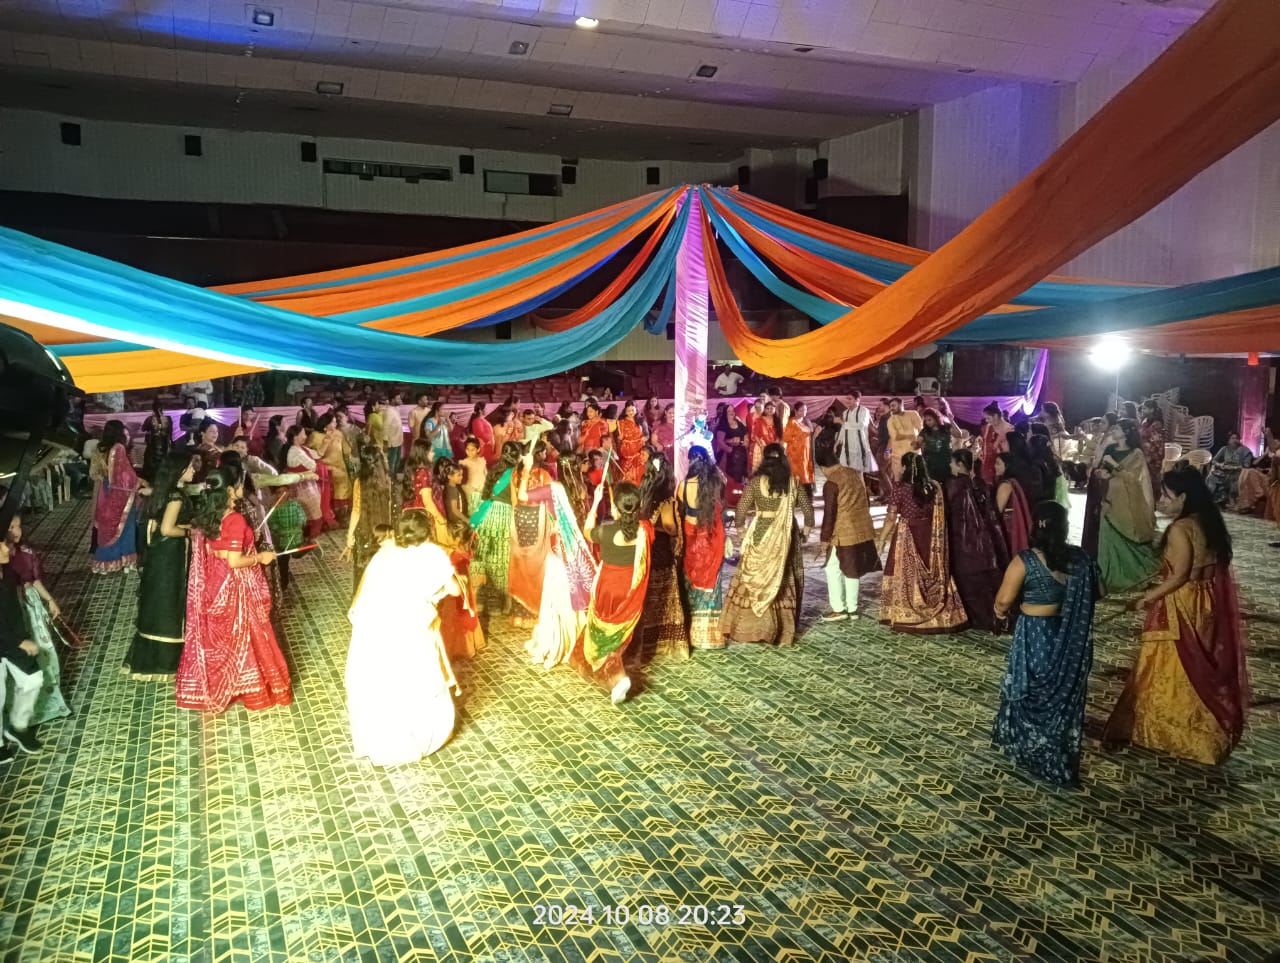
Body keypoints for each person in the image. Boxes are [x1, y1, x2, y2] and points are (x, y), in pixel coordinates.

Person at [1103, 466, 1248, 764]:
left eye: (1166, 496)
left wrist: (1148, 597)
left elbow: (1180, 576)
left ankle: (1173, 731)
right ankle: (1209, 734)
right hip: (1206, 602)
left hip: (1182, 603)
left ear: (1182, 498)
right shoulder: (1208, 522)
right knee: (1203, 662)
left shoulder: (1180, 529)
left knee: (1173, 666)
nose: (1160, 501)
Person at [991, 501, 1099, 787]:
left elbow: (1003, 601)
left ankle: (1027, 748)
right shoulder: (1080, 559)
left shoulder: (1025, 561)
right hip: (1069, 633)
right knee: (1059, 691)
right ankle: (1055, 751)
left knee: (1031, 688)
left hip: (1035, 632)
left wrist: (999, 615)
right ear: (1064, 528)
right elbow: (1099, 590)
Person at [345, 511, 461, 766]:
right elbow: (453, 589)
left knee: (386, 683)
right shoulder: (431, 554)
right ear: (427, 533)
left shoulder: (385, 553)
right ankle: (420, 737)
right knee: (416, 681)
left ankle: (383, 740)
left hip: (375, 629)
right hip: (410, 628)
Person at [175, 466, 291, 712]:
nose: (242, 488)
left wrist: (248, 538)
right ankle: (252, 688)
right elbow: (235, 561)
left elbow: (219, 549)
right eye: (239, 484)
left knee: (225, 640)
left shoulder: (209, 515)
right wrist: (261, 558)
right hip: (236, 585)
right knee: (249, 636)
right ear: (230, 490)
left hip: (216, 583)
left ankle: (225, 685)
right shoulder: (235, 519)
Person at [721, 443, 814, 646]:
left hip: (760, 533)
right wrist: (805, 534)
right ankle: (781, 632)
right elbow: (808, 512)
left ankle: (752, 629)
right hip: (786, 536)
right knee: (783, 577)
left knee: (752, 578)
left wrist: (742, 532)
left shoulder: (755, 483)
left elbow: (740, 511)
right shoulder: (793, 483)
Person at [575, 481, 653, 703]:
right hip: (630, 590)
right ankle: (619, 670)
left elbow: (586, 532)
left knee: (604, 634)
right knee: (620, 633)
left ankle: (617, 677)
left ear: (615, 508)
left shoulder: (607, 532)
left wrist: (595, 503)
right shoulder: (644, 531)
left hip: (607, 588)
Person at [123, 451, 198, 680]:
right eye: (189, 466)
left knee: (160, 600)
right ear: (179, 470)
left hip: (161, 555)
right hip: (171, 555)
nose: (194, 469)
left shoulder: (165, 491)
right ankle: (167, 659)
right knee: (170, 601)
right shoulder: (175, 496)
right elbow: (167, 529)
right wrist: (191, 533)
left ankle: (154, 655)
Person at [878, 452, 967, 634]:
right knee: (933, 568)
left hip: (908, 534)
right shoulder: (934, 487)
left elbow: (891, 517)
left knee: (905, 571)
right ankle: (937, 608)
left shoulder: (900, 488)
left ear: (905, 468)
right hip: (931, 535)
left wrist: (882, 539)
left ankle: (909, 612)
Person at [5, 515, 71, 724]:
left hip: (30, 608)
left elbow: (34, 580)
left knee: (44, 652)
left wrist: (50, 600)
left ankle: (48, 703)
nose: (17, 532)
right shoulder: (3, 554)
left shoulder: (26, 552)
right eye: (11, 527)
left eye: (19, 526)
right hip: (11, 611)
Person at [631, 453, 686, 663]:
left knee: (645, 596)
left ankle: (641, 641)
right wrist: (676, 530)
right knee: (664, 599)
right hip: (660, 552)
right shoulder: (666, 500)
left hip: (642, 550)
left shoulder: (641, 494)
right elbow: (670, 526)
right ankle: (662, 641)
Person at [816, 448, 880, 622]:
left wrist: (824, 539)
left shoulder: (831, 483)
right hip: (861, 527)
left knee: (832, 568)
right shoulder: (855, 474)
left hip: (842, 531)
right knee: (852, 569)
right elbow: (866, 500)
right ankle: (852, 609)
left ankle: (839, 609)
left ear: (823, 467)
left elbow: (829, 514)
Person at [1096, 419, 1159, 594]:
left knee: (1124, 534)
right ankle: (1107, 574)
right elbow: (1098, 469)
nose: (1113, 430)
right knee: (1107, 536)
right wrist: (1101, 473)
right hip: (1108, 499)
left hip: (1126, 502)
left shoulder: (1136, 453)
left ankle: (1129, 574)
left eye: (1117, 428)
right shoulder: (1110, 449)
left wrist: (1114, 465)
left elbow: (1133, 478)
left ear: (1126, 432)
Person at [678, 447, 727, 650]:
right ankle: (710, 635)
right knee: (711, 581)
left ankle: (691, 632)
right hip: (711, 537)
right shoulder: (715, 483)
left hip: (691, 537)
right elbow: (723, 487)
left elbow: (681, 509)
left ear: (690, 461)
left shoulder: (683, 485)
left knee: (691, 581)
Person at [0, 538, 44, 760]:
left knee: (33, 679)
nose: (6, 548)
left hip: (12, 640)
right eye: (0, 545)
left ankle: (18, 726)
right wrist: (19, 642)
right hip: (8, 640)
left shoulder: (7, 572)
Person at [470, 442, 523, 612]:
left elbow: (486, 495)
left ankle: (480, 601)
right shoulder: (515, 474)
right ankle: (503, 603)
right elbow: (515, 500)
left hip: (488, 514)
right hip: (505, 516)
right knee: (502, 559)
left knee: (484, 557)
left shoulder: (494, 470)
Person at [90, 420, 147, 574]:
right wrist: (140, 482)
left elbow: (94, 473)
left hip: (105, 489)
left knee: (108, 526)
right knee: (126, 525)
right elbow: (126, 476)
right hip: (121, 492)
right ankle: (127, 561)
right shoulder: (119, 448)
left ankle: (106, 562)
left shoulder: (99, 449)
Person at [341, 438, 396, 596]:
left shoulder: (360, 482)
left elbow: (356, 510)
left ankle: (361, 602)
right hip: (383, 532)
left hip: (364, 532)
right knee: (382, 570)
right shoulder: (387, 481)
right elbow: (390, 507)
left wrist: (349, 536)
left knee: (363, 571)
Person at [314, 412, 353, 522]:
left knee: (344, 483)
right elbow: (313, 454)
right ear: (326, 424)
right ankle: (330, 516)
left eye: (336, 421)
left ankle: (342, 515)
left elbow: (346, 450)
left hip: (340, 467)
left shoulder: (338, 434)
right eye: (333, 422)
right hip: (325, 469)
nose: (336, 424)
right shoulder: (316, 436)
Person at [993, 452, 1034, 557]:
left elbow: (997, 512)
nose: (995, 466)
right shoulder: (1015, 481)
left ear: (1007, 466)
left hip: (1008, 533)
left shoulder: (1005, 485)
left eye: (998, 463)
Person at [1205, 432, 1254, 506]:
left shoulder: (1245, 451)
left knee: (1235, 478)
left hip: (1238, 472)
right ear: (1228, 440)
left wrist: (1236, 467)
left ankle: (1231, 499)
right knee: (1211, 477)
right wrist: (1220, 465)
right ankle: (1209, 499)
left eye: (1237, 438)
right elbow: (1214, 460)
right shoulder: (1224, 449)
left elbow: (1246, 465)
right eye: (1232, 438)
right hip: (1224, 471)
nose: (1235, 440)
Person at [836, 390, 876, 475]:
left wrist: (843, 423)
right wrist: (837, 442)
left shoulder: (864, 411)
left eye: (850, 399)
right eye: (847, 398)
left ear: (857, 400)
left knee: (858, 473)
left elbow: (861, 425)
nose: (847, 401)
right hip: (847, 446)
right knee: (847, 472)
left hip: (859, 446)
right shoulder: (845, 412)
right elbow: (843, 429)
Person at [885, 398, 923, 481]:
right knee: (898, 480)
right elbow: (894, 437)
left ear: (901, 405)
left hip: (914, 453)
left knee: (915, 479)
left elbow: (921, 430)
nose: (891, 408)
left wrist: (918, 442)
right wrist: (887, 451)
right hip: (898, 456)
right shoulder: (890, 420)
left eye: (893, 405)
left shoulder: (913, 414)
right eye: (890, 406)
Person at [1029, 433, 1070, 509]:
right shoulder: (1052, 464)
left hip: (1041, 507)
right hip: (1054, 506)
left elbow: (1036, 492)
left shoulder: (1035, 466)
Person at [782, 401, 814, 496]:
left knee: (804, 472)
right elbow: (786, 437)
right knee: (796, 473)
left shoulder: (805, 422)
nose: (804, 412)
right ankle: (794, 495)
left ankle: (804, 494)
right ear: (795, 411)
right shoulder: (792, 422)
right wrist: (797, 439)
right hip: (795, 453)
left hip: (805, 452)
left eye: (805, 410)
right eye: (801, 410)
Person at [980, 403, 1014, 487]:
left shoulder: (1009, 429)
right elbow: (985, 446)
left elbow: (1009, 451)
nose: (986, 421)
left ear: (995, 416)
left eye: (988, 418)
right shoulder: (988, 428)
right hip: (987, 465)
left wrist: (998, 443)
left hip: (1001, 466)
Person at [614, 400, 647, 487]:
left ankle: (640, 487)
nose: (631, 412)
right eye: (628, 411)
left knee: (639, 469)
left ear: (636, 409)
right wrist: (619, 438)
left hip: (639, 449)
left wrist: (645, 438)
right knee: (627, 472)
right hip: (627, 451)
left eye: (632, 410)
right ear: (625, 411)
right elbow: (618, 439)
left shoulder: (641, 420)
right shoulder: (621, 422)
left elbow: (647, 435)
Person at [916, 407, 953, 483]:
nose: (927, 422)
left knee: (947, 482)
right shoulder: (924, 431)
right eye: (926, 420)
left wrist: (952, 421)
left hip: (946, 459)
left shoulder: (946, 427)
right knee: (934, 484)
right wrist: (916, 444)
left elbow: (959, 434)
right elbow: (917, 444)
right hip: (931, 462)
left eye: (929, 420)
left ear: (936, 418)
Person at [1138, 400, 1166, 499]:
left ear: (1152, 410)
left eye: (1145, 408)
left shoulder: (1156, 424)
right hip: (1144, 455)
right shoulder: (1145, 422)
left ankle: (1153, 502)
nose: (1142, 410)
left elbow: (1157, 443)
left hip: (1153, 458)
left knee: (1151, 482)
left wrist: (1148, 456)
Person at [141, 398, 173, 482]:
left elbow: (143, 429)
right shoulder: (166, 419)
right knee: (157, 458)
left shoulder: (152, 419)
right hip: (159, 441)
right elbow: (170, 432)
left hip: (158, 441)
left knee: (155, 458)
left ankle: (155, 477)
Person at [717, 404, 749, 484]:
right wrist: (730, 449)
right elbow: (720, 441)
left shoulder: (738, 422)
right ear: (725, 413)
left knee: (742, 474)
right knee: (732, 477)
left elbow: (745, 432)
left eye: (733, 410)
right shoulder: (723, 425)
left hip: (742, 453)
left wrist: (746, 441)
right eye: (729, 411)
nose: (731, 412)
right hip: (729, 455)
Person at [747, 399, 779, 474]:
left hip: (773, 447)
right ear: (765, 409)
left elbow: (779, 434)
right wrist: (762, 446)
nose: (770, 410)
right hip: (760, 446)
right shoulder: (758, 419)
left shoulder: (777, 420)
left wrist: (775, 445)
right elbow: (754, 434)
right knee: (760, 469)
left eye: (771, 408)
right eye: (768, 408)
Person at [383, 391, 404, 477]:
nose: (400, 400)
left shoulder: (395, 409)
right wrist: (385, 441)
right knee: (392, 462)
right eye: (397, 398)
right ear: (392, 400)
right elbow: (385, 427)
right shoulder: (388, 411)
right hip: (392, 442)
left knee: (397, 461)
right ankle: (390, 479)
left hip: (398, 440)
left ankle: (394, 478)